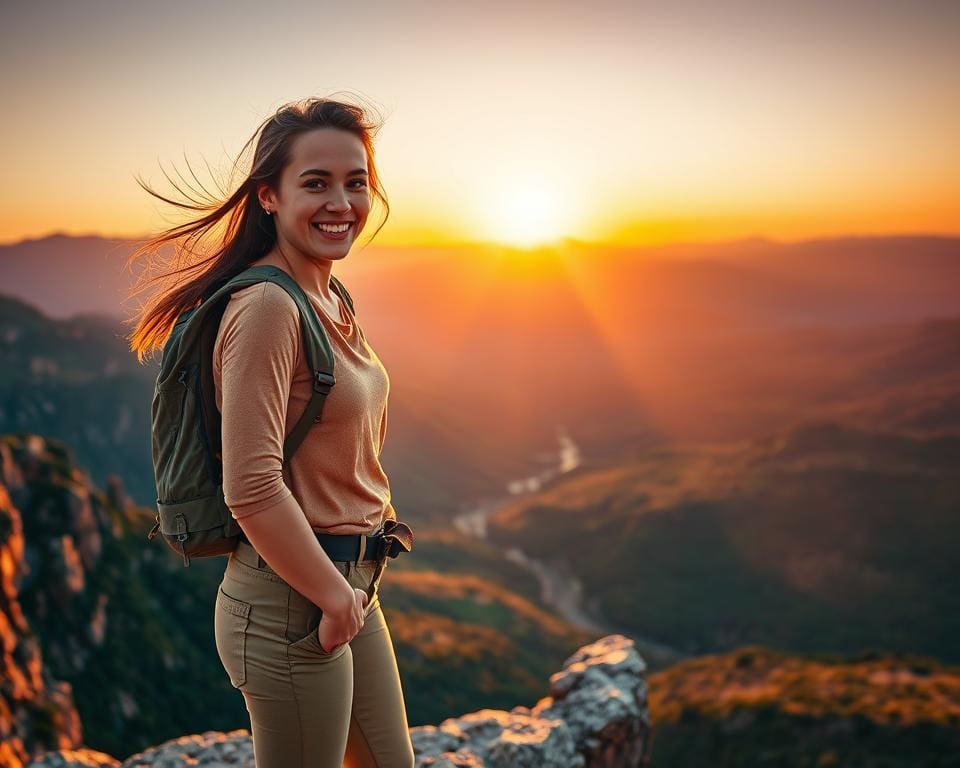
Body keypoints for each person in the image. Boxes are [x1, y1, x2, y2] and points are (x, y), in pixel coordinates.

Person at [126, 96, 416, 768]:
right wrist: (334, 598)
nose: (340, 202)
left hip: (348, 586)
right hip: (294, 604)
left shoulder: (330, 295)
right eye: (315, 183)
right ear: (268, 196)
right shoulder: (265, 308)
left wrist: (352, 591)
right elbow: (251, 488)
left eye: (356, 182)